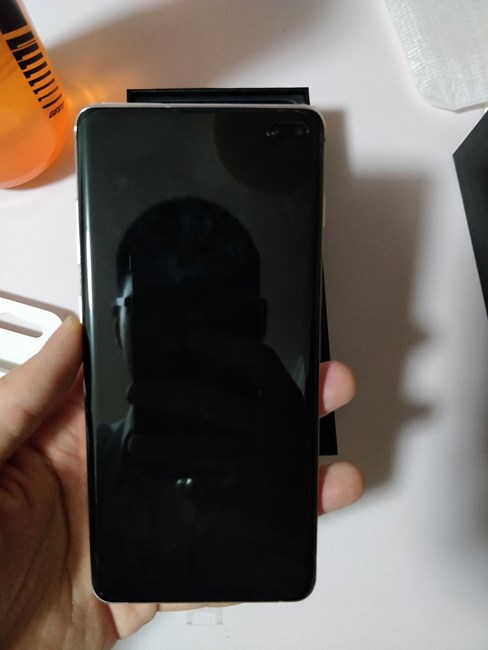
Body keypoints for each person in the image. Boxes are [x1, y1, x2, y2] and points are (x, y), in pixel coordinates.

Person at [0, 316, 364, 649]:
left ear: (254, 320)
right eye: (155, 306)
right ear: (116, 326)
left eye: (212, 308)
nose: (183, 335)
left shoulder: (273, 466)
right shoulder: (65, 477)